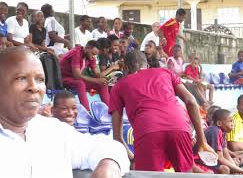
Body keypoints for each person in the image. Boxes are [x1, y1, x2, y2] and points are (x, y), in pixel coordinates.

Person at [0, 46, 129, 177]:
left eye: (40, 79)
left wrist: (108, 166)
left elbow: (112, 148)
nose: (34, 87)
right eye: (21, 78)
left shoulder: (53, 131)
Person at [110, 50, 217, 172]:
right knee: (186, 174)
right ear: (147, 65)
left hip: (148, 129)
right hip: (179, 125)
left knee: (149, 176)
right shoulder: (166, 72)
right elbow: (191, 101)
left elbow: (117, 137)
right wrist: (203, 141)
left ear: (126, 68)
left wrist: (133, 157)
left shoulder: (119, 86)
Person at [60, 40, 110, 111]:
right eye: (93, 54)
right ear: (87, 48)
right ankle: (87, 111)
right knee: (80, 83)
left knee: (102, 84)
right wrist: (96, 80)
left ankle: (109, 111)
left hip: (75, 80)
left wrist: (107, 77)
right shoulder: (76, 52)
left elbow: (97, 75)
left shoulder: (90, 56)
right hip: (64, 79)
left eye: (95, 55)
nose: (94, 57)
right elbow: (77, 75)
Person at [205, 109, 243, 174]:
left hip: (211, 160)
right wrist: (239, 170)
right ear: (219, 123)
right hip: (202, 160)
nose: (233, 124)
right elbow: (220, 158)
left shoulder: (223, 132)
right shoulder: (214, 131)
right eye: (230, 121)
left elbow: (226, 154)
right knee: (225, 169)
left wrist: (236, 168)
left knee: (235, 167)